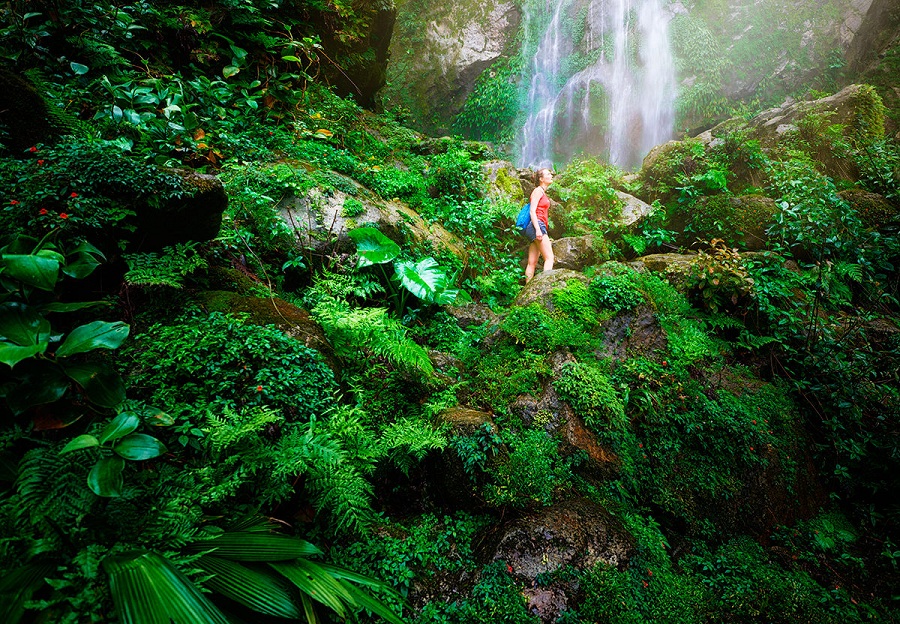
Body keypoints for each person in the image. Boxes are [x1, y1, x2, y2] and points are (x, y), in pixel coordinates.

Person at [524, 167, 554, 282]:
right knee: (549, 258)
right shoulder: (538, 191)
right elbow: (532, 211)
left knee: (532, 262)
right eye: (548, 174)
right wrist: (537, 229)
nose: (551, 175)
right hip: (537, 225)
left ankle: (527, 288)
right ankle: (545, 286)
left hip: (536, 226)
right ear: (541, 179)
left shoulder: (542, 192)